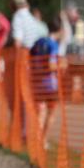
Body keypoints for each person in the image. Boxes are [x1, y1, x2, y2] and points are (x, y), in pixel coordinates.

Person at [30, 18, 62, 151]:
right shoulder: (53, 45)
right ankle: (43, 139)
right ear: (59, 31)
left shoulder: (38, 42)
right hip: (50, 84)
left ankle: (38, 139)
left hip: (37, 81)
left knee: (40, 111)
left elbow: (29, 57)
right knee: (51, 113)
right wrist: (61, 65)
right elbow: (51, 64)